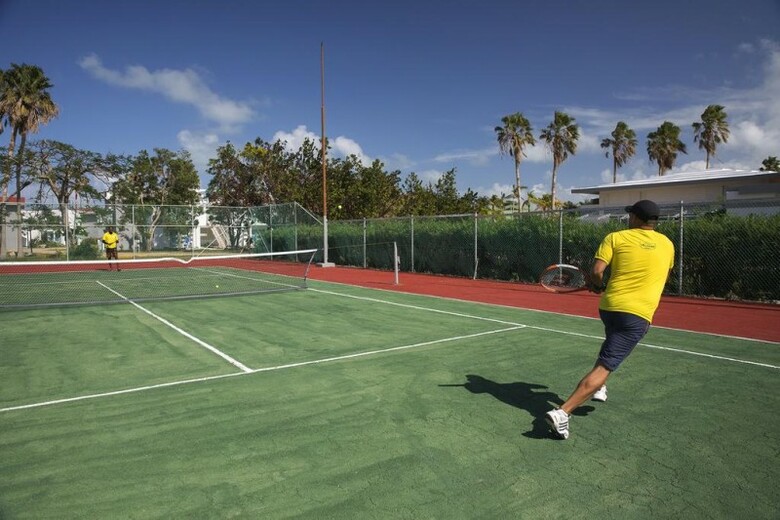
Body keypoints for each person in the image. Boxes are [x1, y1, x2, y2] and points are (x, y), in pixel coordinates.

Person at [545, 200, 674, 440]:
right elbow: (663, 276)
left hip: (610, 307)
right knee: (607, 364)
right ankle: (563, 412)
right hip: (638, 314)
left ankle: (600, 387)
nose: (628, 218)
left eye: (630, 214)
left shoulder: (615, 237)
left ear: (636, 217)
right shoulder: (668, 245)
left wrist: (597, 285)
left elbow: (596, 271)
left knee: (612, 344)